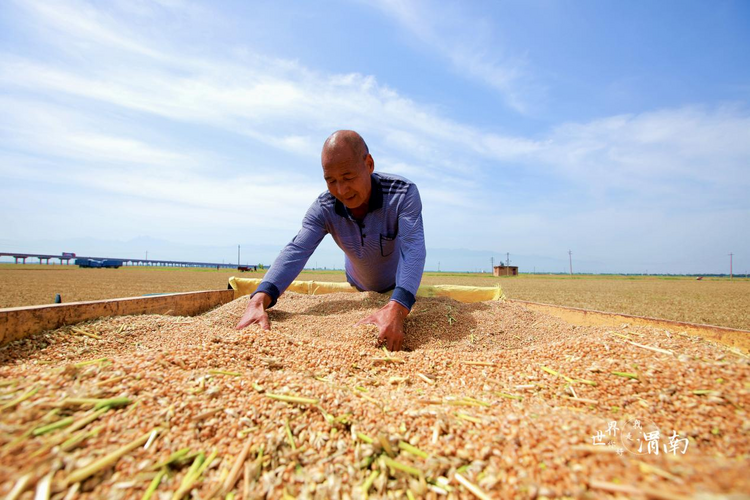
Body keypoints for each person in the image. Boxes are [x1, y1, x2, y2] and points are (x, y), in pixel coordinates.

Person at [235, 130, 426, 351]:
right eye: (331, 180)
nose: (342, 190)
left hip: (396, 285)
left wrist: (399, 305)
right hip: (357, 284)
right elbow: (297, 250)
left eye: (348, 177)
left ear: (369, 164)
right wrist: (258, 300)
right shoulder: (324, 208)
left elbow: (413, 247)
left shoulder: (402, 194)